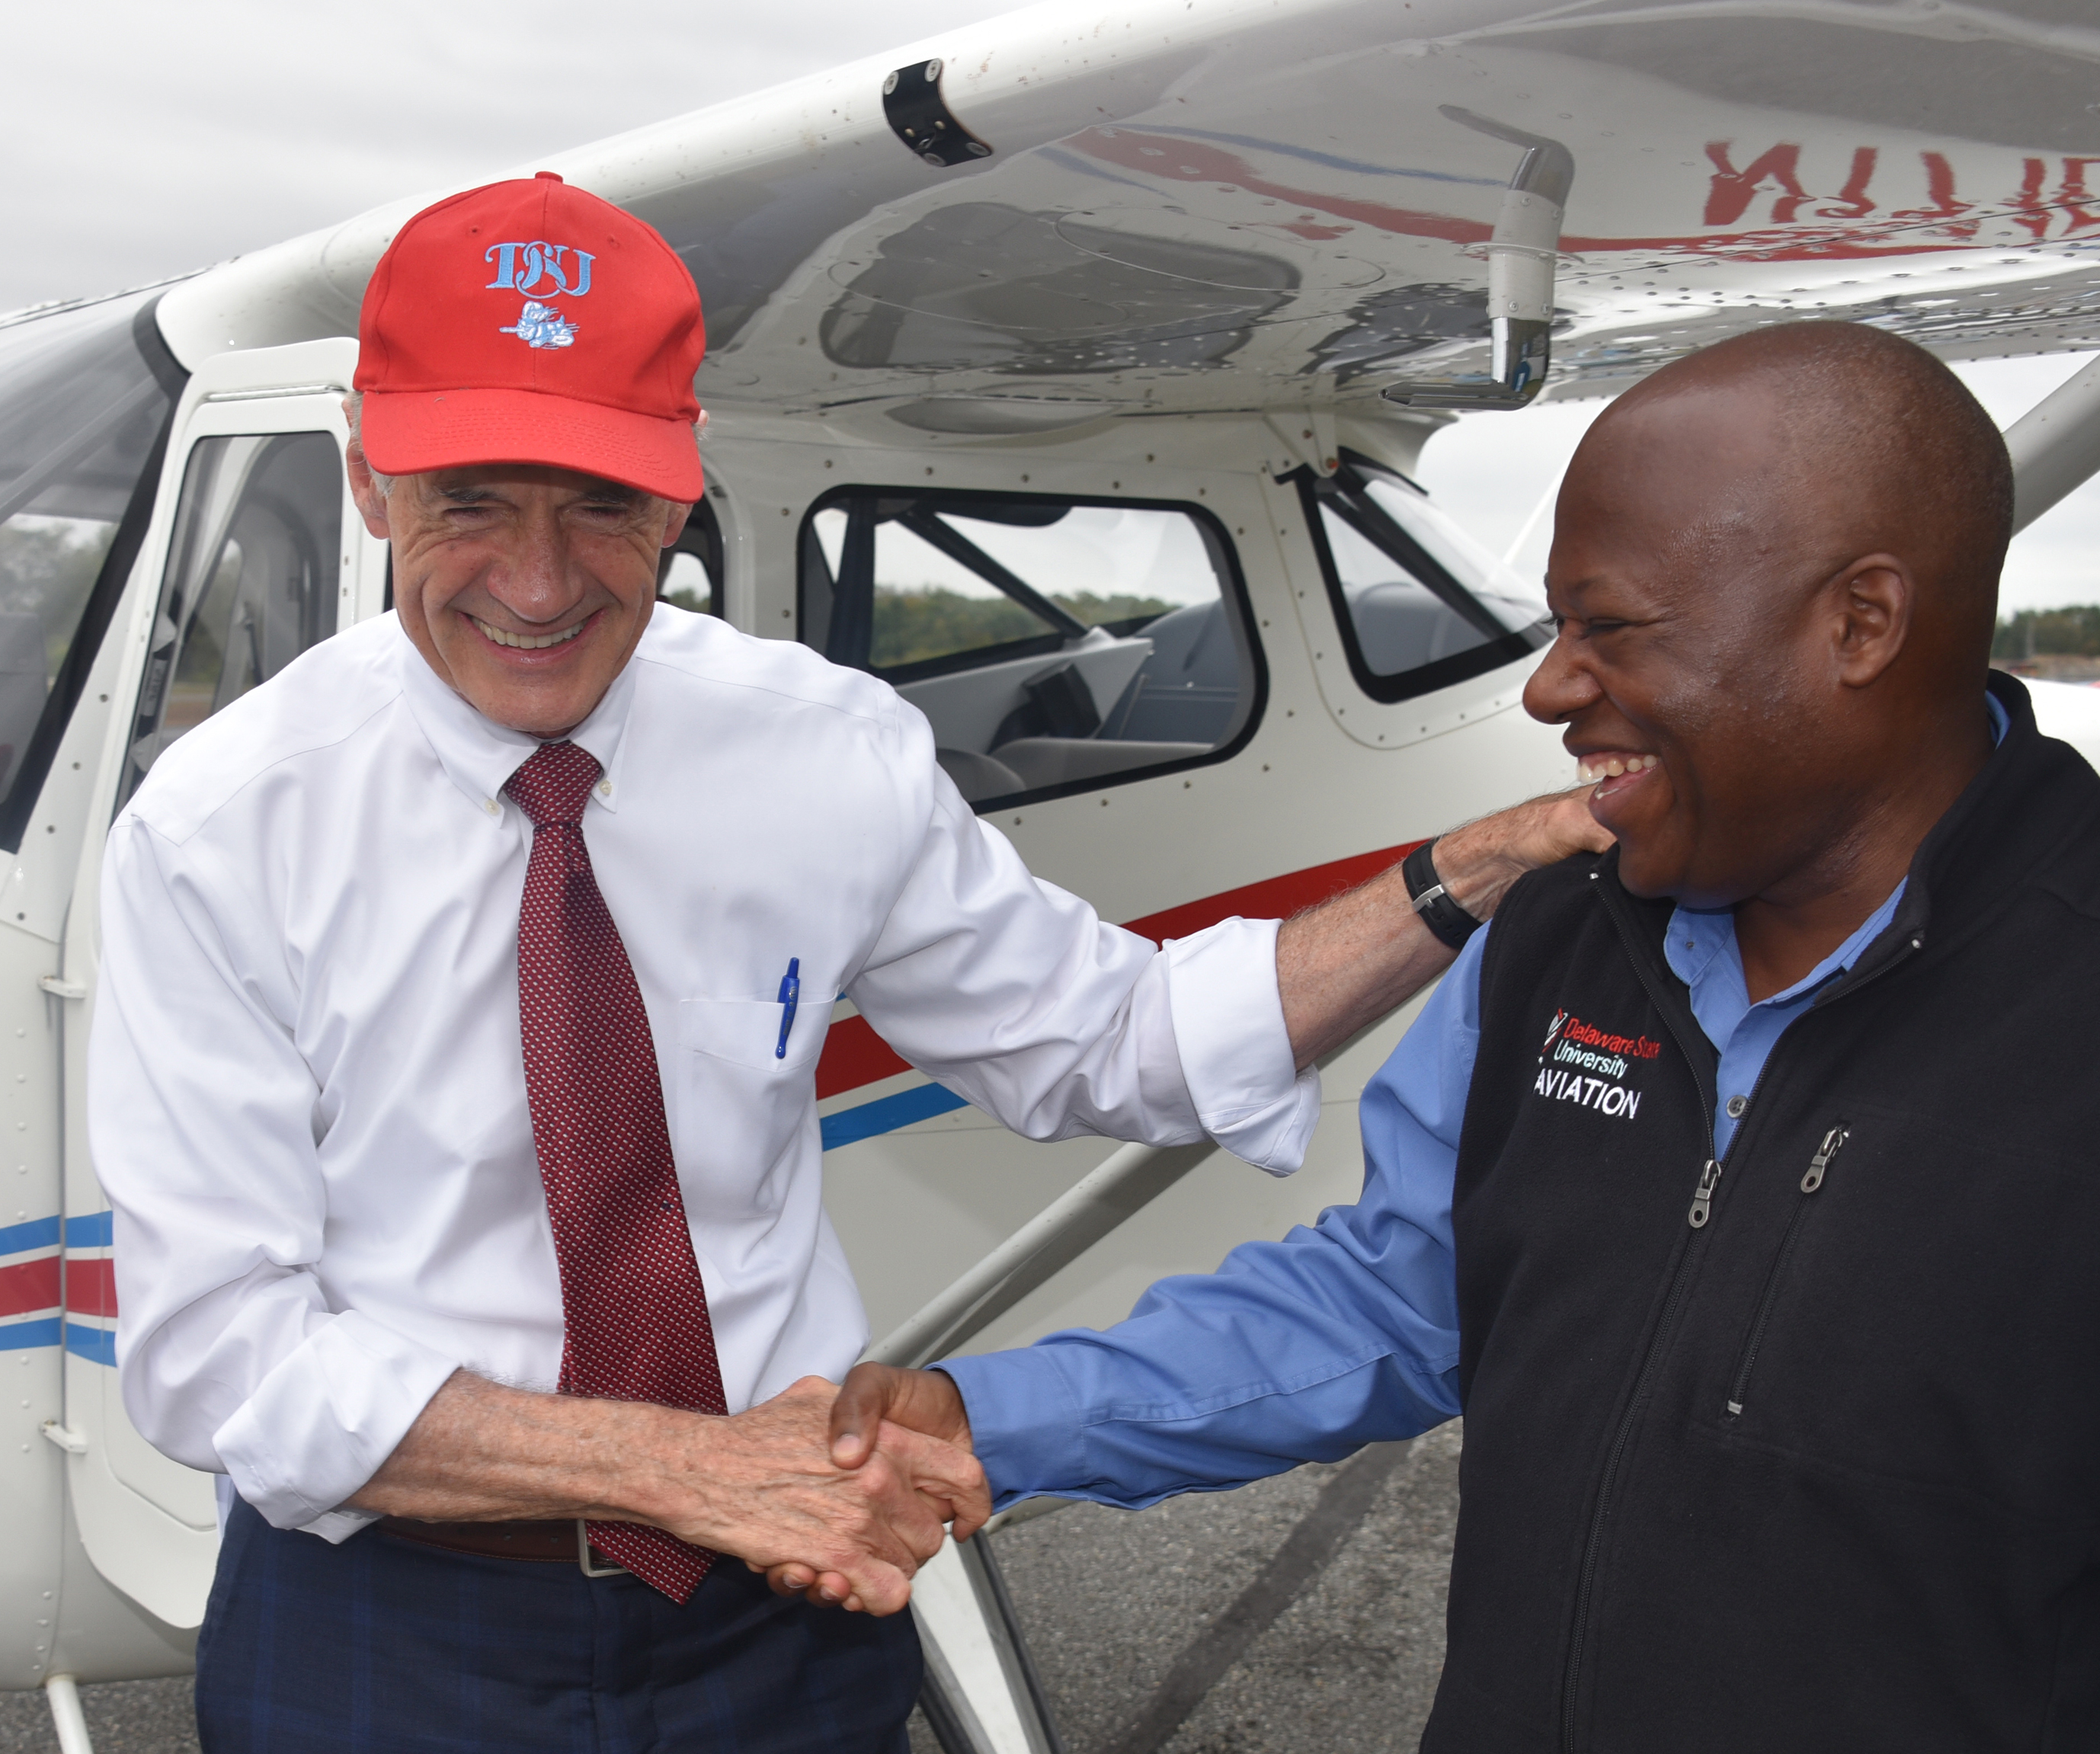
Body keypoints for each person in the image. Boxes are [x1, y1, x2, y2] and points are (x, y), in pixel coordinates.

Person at [816, 322, 2100, 1751]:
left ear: (1858, 623)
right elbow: (1395, 1291)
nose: (1547, 685)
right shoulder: (1560, 935)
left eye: (1610, 628)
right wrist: (988, 1416)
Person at [86, 173, 1596, 1754]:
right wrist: (685, 1469)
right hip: (396, 1627)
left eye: (601, 503)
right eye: (471, 497)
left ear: (681, 495)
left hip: (773, 1622)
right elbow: (219, 1355)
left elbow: (1119, 1043)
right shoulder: (218, 830)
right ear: (365, 482)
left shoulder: (822, 751)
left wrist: (1463, 870)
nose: (536, 581)